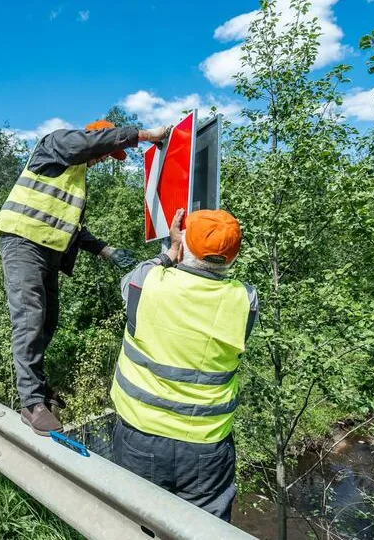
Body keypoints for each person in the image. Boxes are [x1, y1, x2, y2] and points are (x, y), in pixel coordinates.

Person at [0, 120, 171, 436]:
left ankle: (40, 390)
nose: (104, 159)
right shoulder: (56, 145)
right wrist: (144, 135)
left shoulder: (75, 178)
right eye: (106, 153)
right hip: (22, 241)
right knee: (30, 318)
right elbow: (87, 143)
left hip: (48, 249)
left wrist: (106, 250)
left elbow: (71, 227)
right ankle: (31, 402)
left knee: (47, 320)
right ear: (92, 138)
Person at [109, 207, 257, 522]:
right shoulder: (245, 300)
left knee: (136, 526)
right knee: (203, 530)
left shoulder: (147, 281)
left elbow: (134, 278)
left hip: (140, 432)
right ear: (232, 258)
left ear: (185, 244)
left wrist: (172, 251)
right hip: (206, 444)